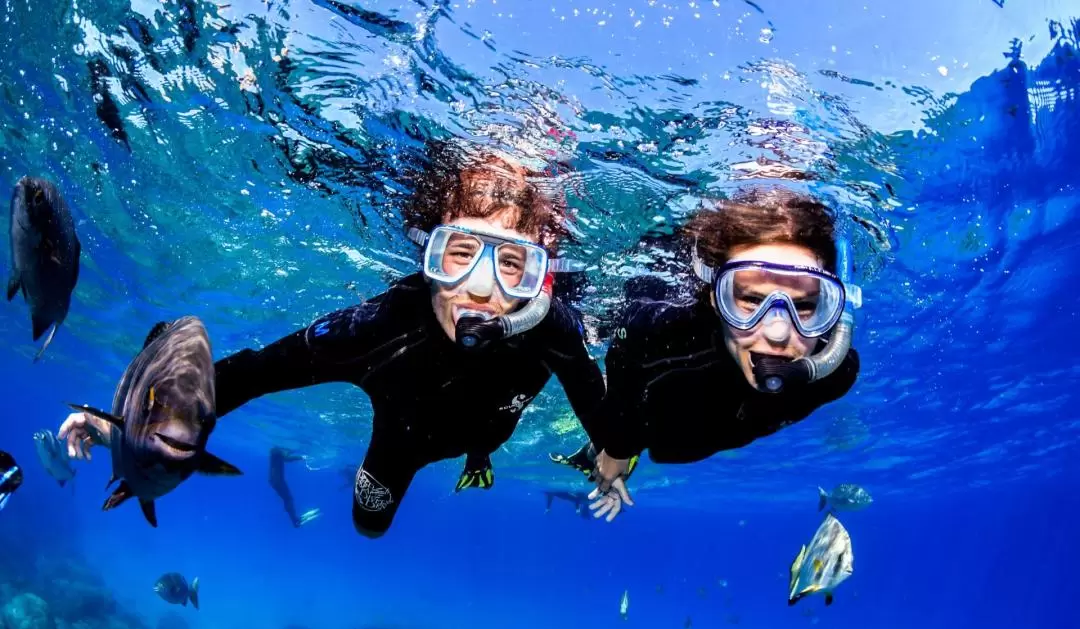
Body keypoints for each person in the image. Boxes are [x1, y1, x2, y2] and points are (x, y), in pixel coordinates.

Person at [59, 144, 606, 538]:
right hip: (405, 443)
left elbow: (603, 410)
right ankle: (473, 457)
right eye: (459, 253)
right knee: (369, 526)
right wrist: (123, 431)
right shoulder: (381, 328)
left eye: (512, 264)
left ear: (542, 274)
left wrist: (616, 456)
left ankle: (479, 456)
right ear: (428, 255)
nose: (483, 289)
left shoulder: (550, 325)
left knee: (484, 443)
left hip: (489, 432)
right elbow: (251, 374)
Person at [552, 187, 862, 522]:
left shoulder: (835, 374)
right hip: (653, 412)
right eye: (750, 301)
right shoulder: (660, 330)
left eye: (803, 306)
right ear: (716, 298)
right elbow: (623, 360)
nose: (777, 334)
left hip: (691, 432)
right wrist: (617, 449)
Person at [269, 447, 319, 528]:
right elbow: (287, 459)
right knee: (288, 499)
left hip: (274, 481)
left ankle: (294, 519)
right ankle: (295, 521)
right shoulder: (277, 451)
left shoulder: (275, 451)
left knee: (287, 499)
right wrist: (301, 457)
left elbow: (284, 457)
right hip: (278, 481)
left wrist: (290, 451)